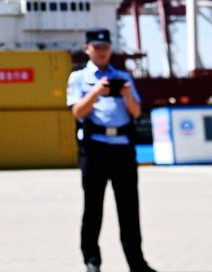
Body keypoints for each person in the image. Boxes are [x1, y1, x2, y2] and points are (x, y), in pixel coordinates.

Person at [66, 27, 155, 272]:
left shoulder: (123, 77)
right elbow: (77, 112)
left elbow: (136, 113)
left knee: (129, 209)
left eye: (106, 48)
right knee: (93, 207)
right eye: (97, 48)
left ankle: (137, 263)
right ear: (87, 49)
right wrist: (96, 92)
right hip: (95, 149)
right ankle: (92, 260)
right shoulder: (78, 79)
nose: (102, 52)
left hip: (123, 149)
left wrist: (126, 94)